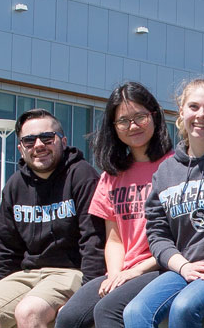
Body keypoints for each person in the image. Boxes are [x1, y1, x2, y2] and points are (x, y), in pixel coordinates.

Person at [0, 109, 105, 328]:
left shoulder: (82, 175)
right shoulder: (15, 185)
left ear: (63, 141)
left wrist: (87, 296)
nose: (38, 145)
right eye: (29, 140)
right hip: (27, 275)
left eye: (47, 138)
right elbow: (7, 249)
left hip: (71, 272)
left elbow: (94, 240)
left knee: (28, 312)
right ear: (21, 148)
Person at [123, 77, 204, 328]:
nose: (201, 115)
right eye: (194, 107)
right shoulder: (166, 171)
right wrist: (183, 266)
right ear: (181, 112)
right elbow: (157, 234)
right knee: (135, 312)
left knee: (184, 308)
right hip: (185, 266)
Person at [56, 82, 173, 328]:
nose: (133, 126)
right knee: (67, 317)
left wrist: (135, 272)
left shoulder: (174, 166)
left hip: (161, 266)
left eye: (140, 117)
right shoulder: (112, 175)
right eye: (123, 121)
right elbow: (115, 238)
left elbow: (180, 237)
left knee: (108, 310)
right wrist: (116, 274)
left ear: (154, 116)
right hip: (124, 270)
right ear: (113, 127)